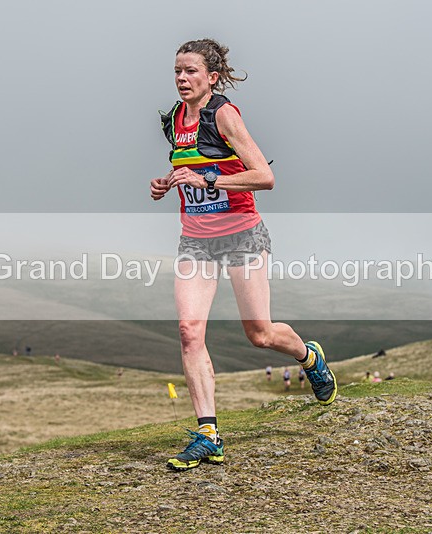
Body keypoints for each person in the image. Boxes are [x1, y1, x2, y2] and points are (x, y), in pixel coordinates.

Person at [151, 39, 337, 472]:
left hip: (242, 236)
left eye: (190, 71)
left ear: (212, 77)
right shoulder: (174, 119)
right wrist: (167, 182)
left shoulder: (224, 114)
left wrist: (208, 181)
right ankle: (208, 434)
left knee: (260, 334)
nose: (181, 78)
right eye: (177, 70)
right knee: (188, 331)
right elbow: (188, 167)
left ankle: (309, 357)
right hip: (195, 240)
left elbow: (264, 177)